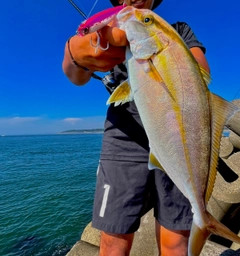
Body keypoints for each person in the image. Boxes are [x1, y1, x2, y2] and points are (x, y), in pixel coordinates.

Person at [62, 0, 210, 255]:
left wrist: (169, 55)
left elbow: (202, 73)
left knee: (176, 240)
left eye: (146, 19)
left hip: (176, 137)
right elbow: (76, 76)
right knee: (113, 239)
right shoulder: (106, 32)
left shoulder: (178, 31)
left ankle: (204, 221)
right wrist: (74, 54)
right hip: (124, 136)